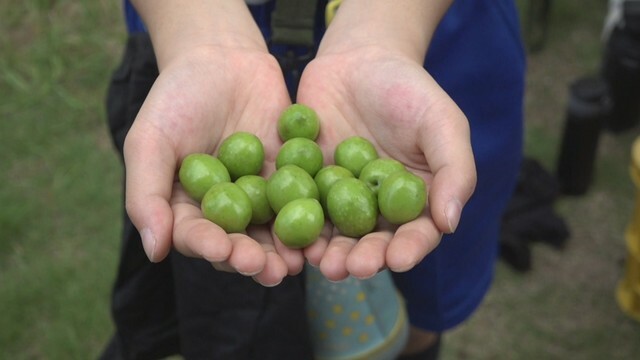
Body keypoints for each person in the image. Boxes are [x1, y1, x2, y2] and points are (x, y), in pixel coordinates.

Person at [101, 0, 525, 359]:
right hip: (198, 60)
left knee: (419, 312)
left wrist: (385, 27)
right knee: (240, 322)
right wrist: (200, 35)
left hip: (420, 55)